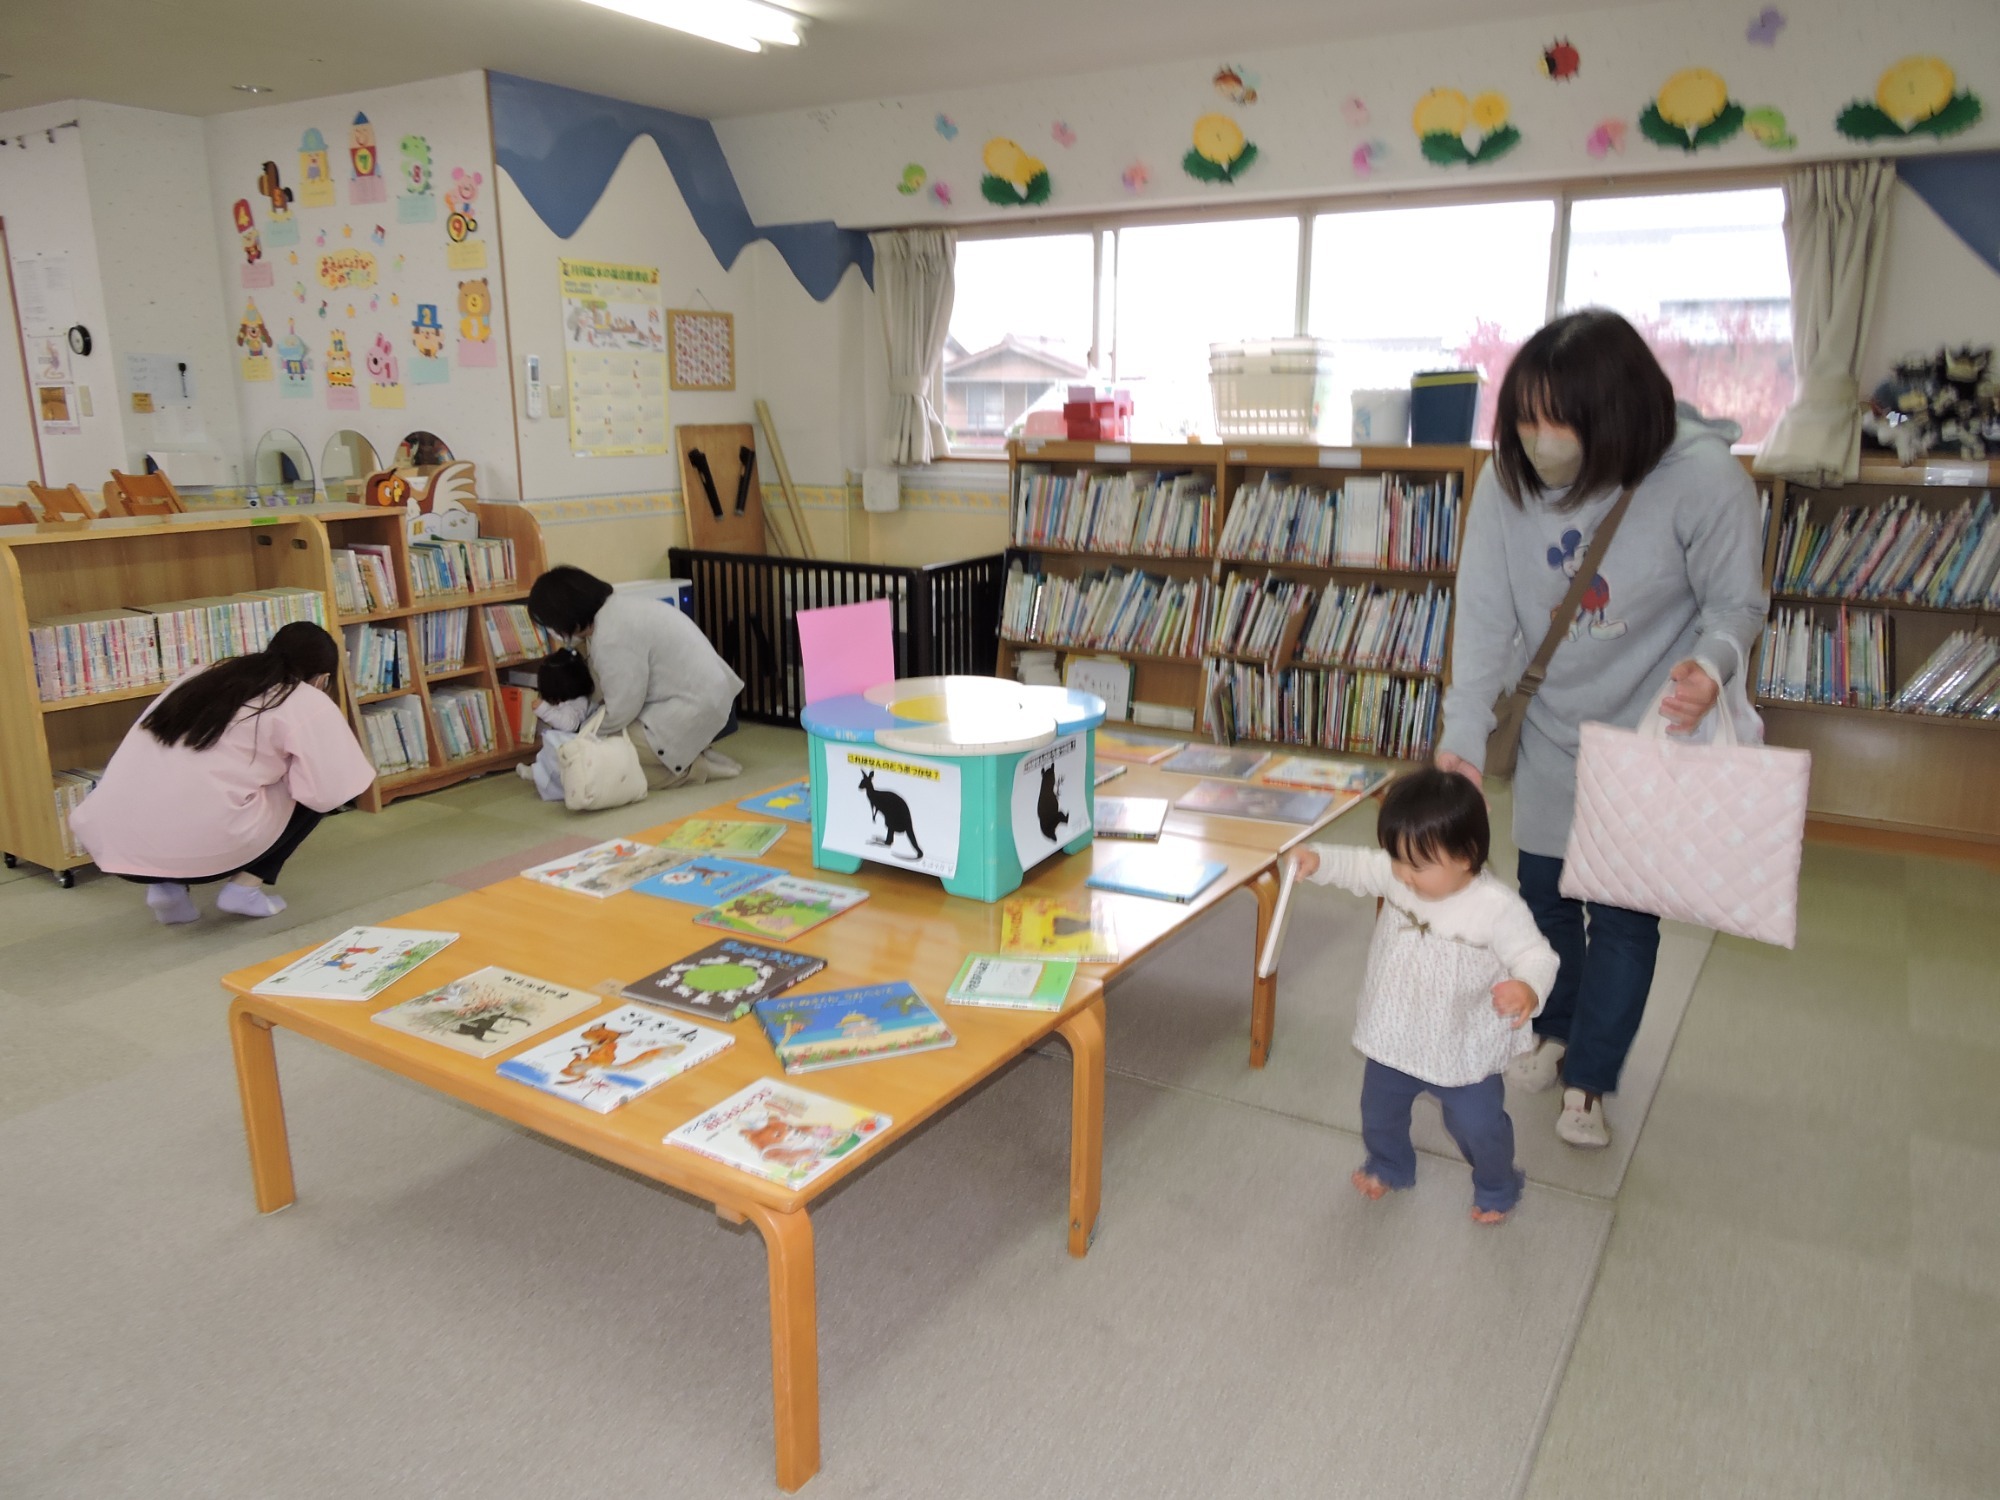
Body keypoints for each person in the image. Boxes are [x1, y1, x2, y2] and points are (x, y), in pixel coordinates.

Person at [1435, 309, 1768, 1150]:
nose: (1539, 439)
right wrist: (1462, 740)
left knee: (1622, 914)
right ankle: (1557, 1025)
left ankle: (1591, 1078)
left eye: (1560, 419)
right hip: (1550, 723)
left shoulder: (1701, 479)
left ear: (1616, 412)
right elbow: (1479, 624)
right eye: (1525, 417)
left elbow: (1737, 604)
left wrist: (1713, 664)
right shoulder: (1505, 482)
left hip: (1650, 733)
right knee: (1545, 894)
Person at [1291, 768, 1559, 1224]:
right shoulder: (1399, 874)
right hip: (1395, 1030)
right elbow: (1359, 866)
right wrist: (1317, 860)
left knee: (1476, 1125)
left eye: (1417, 865)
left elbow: (1538, 955)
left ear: (1467, 855)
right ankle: (1390, 1163)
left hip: (1460, 1042)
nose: (1403, 875)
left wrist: (1528, 987)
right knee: (1379, 1110)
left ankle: (1498, 1182)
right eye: (1397, 860)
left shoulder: (1496, 908)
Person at [70, 621, 376, 924]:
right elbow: (331, 790)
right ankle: (246, 888)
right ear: (322, 678)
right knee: (316, 787)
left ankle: (166, 889)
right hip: (203, 849)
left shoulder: (203, 675)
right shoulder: (305, 699)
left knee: (171, 776)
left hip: (114, 842)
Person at [527, 566, 744, 788]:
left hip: (690, 708)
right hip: (709, 699)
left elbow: (623, 708)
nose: (553, 632)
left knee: (605, 766)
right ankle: (696, 754)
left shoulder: (611, 636)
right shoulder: (620, 608)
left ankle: (694, 770)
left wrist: (586, 735)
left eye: (551, 625)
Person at [518, 647, 594, 802]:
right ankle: (539, 771)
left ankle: (538, 773)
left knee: (553, 744)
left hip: (577, 746)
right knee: (549, 748)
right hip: (576, 746)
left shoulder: (577, 704)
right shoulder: (572, 699)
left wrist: (545, 711)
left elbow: (569, 725)